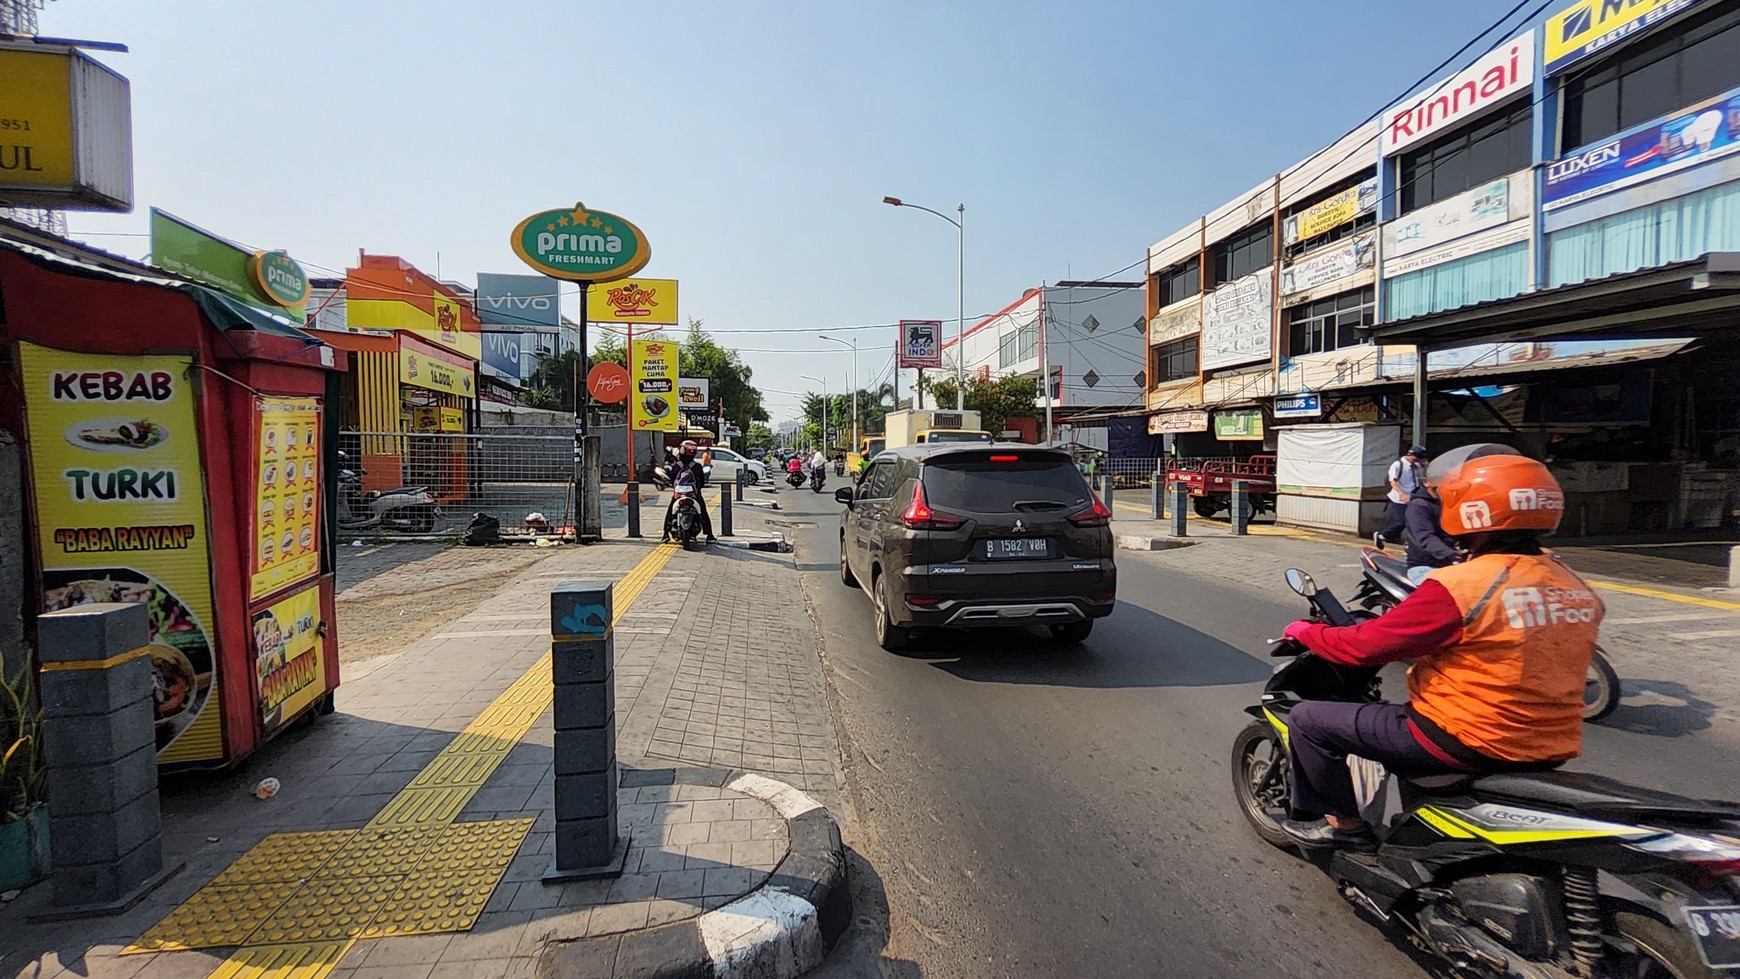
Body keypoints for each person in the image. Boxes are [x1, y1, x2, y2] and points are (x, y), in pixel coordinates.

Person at [1277, 444, 1602, 850]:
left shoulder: (1463, 586)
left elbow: (1365, 647)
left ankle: (1344, 828)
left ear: (1468, 511)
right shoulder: (1573, 584)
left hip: (1463, 737)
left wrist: (1306, 632)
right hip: (1551, 744)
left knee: (1308, 719)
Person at [1402, 474, 1462, 584]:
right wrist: (1450, 554)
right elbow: (1426, 538)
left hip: (1448, 565)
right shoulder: (1418, 506)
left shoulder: (1447, 503)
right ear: (1426, 482)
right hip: (1424, 567)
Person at [661, 440, 715, 544]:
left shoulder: (676, 466)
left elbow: (671, 481)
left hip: (678, 494)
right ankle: (709, 535)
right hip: (694, 494)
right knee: (703, 512)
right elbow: (702, 483)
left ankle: (665, 534)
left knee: (670, 512)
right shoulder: (697, 467)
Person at [1375, 445, 1429, 549]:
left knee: (1415, 520)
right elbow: (1393, 482)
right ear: (1411, 455)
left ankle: (1411, 544)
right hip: (1399, 498)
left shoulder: (1416, 466)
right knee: (1402, 521)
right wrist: (1402, 494)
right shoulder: (1398, 465)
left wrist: (1426, 465)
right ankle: (1382, 535)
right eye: (1416, 459)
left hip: (1412, 497)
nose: (1416, 461)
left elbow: (1422, 477)